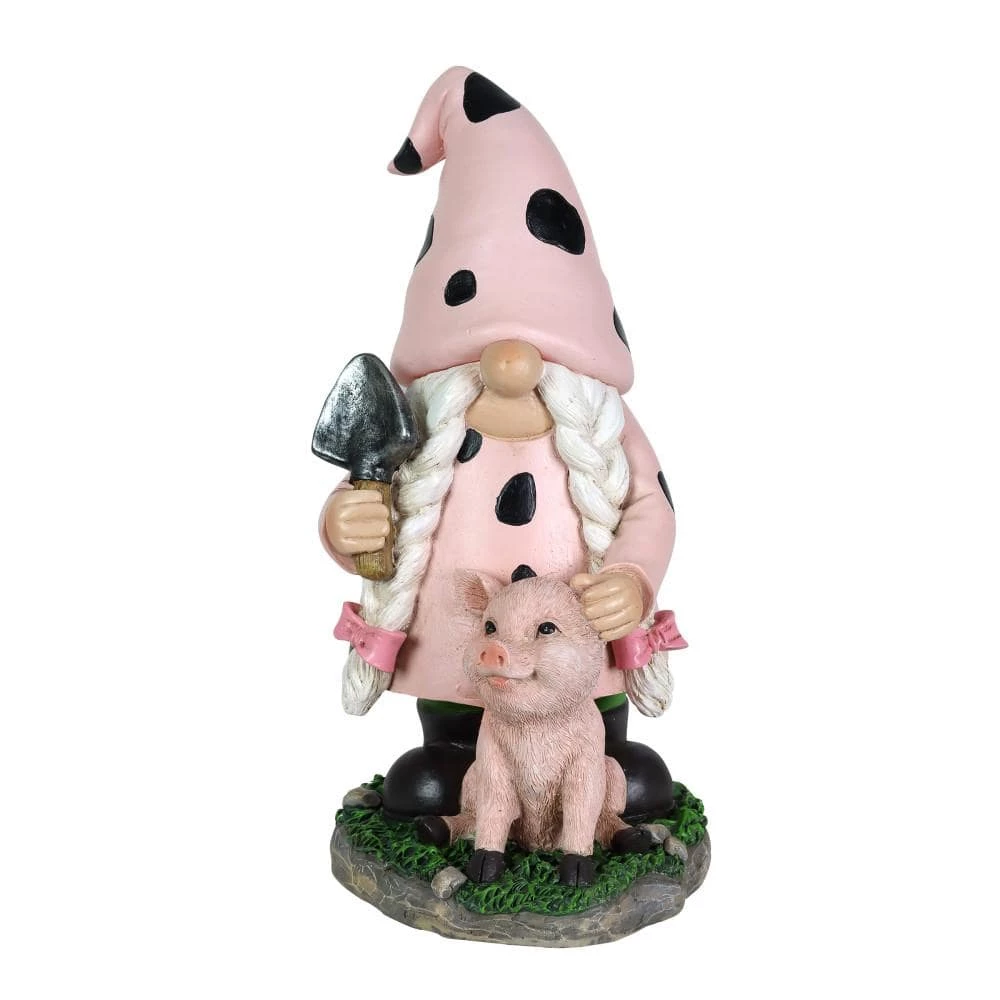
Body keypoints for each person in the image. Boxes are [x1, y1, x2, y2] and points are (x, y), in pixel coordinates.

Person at [319, 68, 681, 821]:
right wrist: (346, 524)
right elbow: (375, 504)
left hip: (579, 662)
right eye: (481, 342)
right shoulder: (417, 417)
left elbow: (652, 505)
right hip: (461, 652)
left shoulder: (605, 424)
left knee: (626, 770)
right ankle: (458, 765)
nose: (511, 363)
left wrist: (631, 579)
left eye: (539, 341)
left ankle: (597, 771)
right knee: (431, 776)